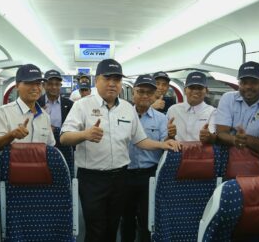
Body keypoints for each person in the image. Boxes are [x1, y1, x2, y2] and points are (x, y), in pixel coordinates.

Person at [60, 59, 181, 242]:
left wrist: (163, 145)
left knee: (113, 226)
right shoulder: (82, 105)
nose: (112, 84)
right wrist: (85, 134)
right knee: (95, 229)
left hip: (120, 178)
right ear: (97, 80)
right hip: (92, 178)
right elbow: (64, 137)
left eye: (116, 80)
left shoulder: (126, 108)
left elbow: (140, 140)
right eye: (107, 78)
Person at [121, 74, 167, 242]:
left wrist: (171, 140)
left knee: (147, 219)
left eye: (149, 93)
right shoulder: (123, 114)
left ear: (155, 95)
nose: (145, 96)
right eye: (141, 91)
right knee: (126, 218)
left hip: (149, 175)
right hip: (124, 173)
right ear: (133, 93)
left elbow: (165, 144)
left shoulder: (162, 119)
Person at [215, 61, 259, 154]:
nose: (248, 86)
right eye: (244, 82)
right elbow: (221, 133)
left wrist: (241, 138)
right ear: (239, 84)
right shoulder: (228, 98)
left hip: (257, 157)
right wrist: (235, 139)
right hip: (228, 152)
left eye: (254, 82)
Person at [0, 64, 55, 149]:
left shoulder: (45, 116)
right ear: (17, 86)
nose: (35, 88)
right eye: (30, 83)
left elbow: (50, 146)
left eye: (38, 84)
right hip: (12, 162)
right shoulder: (5, 112)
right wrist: (11, 135)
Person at [166, 71, 217, 143]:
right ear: (185, 90)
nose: (196, 91)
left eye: (200, 88)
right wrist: (170, 136)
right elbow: (164, 140)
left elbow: (213, 138)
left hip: (201, 153)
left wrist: (209, 136)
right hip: (177, 151)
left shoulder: (212, 112)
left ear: (207, 91)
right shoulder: (172, 110)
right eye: (192, 87)